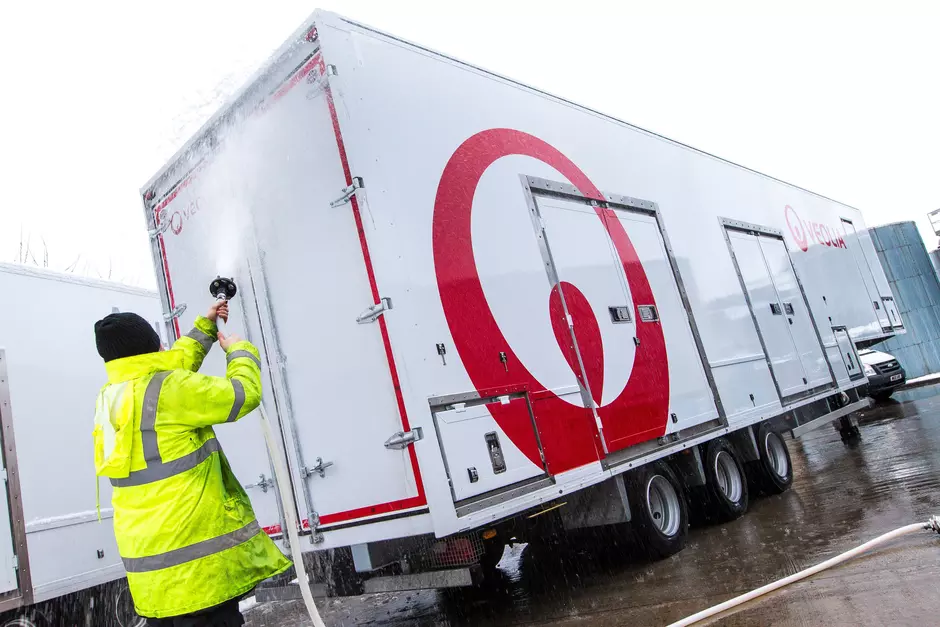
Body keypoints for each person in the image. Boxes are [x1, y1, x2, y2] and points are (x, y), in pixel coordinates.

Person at [93, 300, 291, 626]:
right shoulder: (170, 390)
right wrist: (239, 352)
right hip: (199, 572)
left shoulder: (111, 396)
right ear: (151, 349)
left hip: (153, 578)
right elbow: (242, 394)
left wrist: (206, 327)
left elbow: (171, 365)